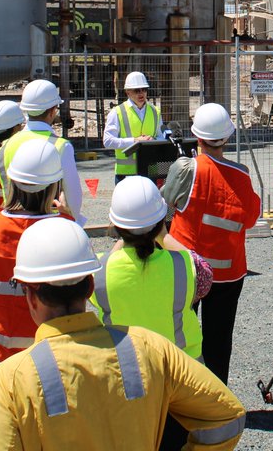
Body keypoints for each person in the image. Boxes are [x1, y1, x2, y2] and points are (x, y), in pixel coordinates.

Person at [0, 218, 246, 451]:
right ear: (90, 284)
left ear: (30, 295)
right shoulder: (151, 348)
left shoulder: (11, 380)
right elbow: (226, 417)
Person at [96, 176, 214, 451]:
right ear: (162, 221)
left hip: (126, 382)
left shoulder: (101, 272)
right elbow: (206, 275)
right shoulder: (184, 265)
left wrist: (122, 241)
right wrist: (165, 235)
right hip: (181, 379)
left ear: (115, 225)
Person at [163, 103, 261, 383]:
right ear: (226, 138)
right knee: (219, 340)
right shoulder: (241, 175)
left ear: (198, 136)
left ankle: (184, 395)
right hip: (229, 273)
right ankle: (217, 399)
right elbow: (251, 216)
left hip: (188, 266)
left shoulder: (187, 168)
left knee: (182, 334)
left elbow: (166, 201)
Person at [0, 138, 70, 369]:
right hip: (50, 348)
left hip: (2, 348)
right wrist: (68, 216)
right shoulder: (65, 227)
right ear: (55, 186)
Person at [1, 79, 85, 224]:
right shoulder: (61, 146)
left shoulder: (7, 144)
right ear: (53, 111)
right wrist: (73, 220)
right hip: (48, 222)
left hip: (12, 220)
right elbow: (72, 194)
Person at [104, 71, 165, 182]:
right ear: (128, 92)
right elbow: (108, 141)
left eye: (144, 89)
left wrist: (153, 140)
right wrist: (135, 141)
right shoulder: (117, 112)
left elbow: (161, 137)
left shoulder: (156, 111)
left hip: (151, 171)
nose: (141, 93)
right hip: (126, 173)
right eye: (137, 90)